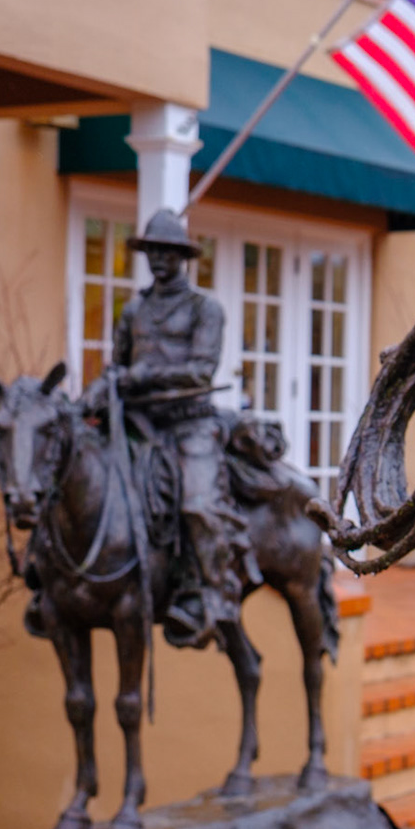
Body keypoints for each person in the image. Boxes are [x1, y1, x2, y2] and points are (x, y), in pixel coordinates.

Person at [110, 210, 250, 649]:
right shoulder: (133, 309)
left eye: (168, 252)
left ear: (183, 257)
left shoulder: (205, 308)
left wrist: (145, 374)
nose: (159, 260)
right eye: (153, 251)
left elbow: (201, 371)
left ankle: (213, 595)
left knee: (197, 505)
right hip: (139, 422)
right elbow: (118, 365)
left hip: (191, 423)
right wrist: (108, 386)